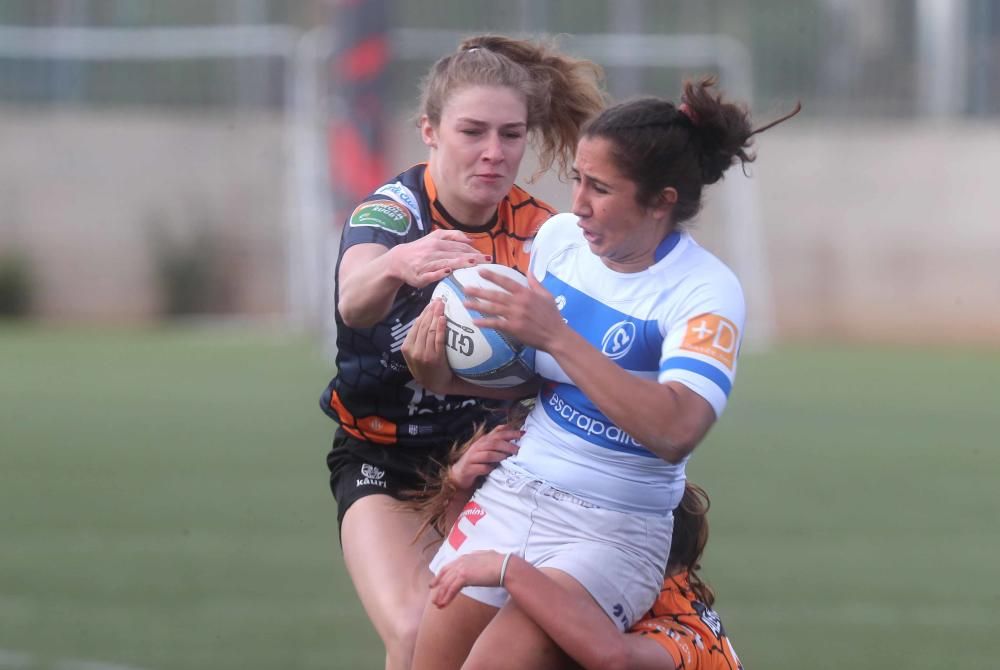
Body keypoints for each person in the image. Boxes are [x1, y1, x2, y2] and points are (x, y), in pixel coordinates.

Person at [404, 78, 799, 670]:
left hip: (612, 528)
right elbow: (539, 378)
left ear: (661, 200)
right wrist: (442, 375)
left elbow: (676, 430)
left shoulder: (704, 291)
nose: (579, 203)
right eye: (577, 180)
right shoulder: (560, 243)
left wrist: (557, 334)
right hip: (516, 490)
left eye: (601, 188)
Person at [318, 34, 605, 670]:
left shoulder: (544, 235)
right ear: (429, 130)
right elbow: (354, 300)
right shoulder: (394, 214)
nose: (494, 153)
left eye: (511, 134)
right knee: (418, 629)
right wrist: (401, 263)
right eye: (473, 131)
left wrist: (461, 389)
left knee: (521, 645)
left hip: (495, 469)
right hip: (384, 463)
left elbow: (563, 370)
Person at [414, 428, 741, 670]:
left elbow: (613, 657)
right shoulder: (611, 597)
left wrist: (509, 569)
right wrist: (457, 487)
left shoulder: (688, 636)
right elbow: (474, 575)